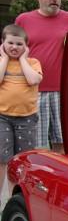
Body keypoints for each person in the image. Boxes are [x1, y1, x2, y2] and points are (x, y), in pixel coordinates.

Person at [15, 0, 68, 153]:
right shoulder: (24, 20)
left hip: (62, 91)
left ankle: (56, 177)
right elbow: (12, 51)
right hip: (32, 90)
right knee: (34, 144)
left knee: (61, 141)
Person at [0, 24, 43, 188]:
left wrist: (23, 59)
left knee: (21, 160)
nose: (14, 47)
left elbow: (33, 80)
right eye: (10, 43)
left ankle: (15, 197)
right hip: (2, 117)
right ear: (3, 43)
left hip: (26, 119)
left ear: (26, 47)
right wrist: (4, 58)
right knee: (2, 159)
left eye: (19, 44)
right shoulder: (1, 62)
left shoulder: (32, 62)